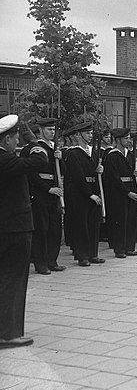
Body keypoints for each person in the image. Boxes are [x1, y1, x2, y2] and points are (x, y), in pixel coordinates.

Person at [0, 115, 48, 348]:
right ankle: (8, 334)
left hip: (6, 228)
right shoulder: (6, 160)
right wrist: (33, 140)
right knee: (14, 280)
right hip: (14, 228)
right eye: (16, 138)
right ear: (8, 139)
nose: (18, 142)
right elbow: (41, 160)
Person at [22, 117, 65, 274]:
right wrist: (48, 189)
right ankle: (40, 263)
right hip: (41, 193)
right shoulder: (34, 148)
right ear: (40, 131)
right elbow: (31, 174)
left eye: (53, 130)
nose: (52, 133)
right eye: (48, 130)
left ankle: (51, 261)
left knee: (55, 229)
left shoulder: (55, 149)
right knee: (41, 229)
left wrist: (60, 159)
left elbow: (63, 172)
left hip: (55, 193)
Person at [63, 121, 104, 266]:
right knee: (81, 225)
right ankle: (82, 256)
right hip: (80, 193)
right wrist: (89, 194)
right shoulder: (74, 153)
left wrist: (99, 171)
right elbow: (78, 176)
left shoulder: (94, 151)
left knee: (93, 224)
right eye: (87, 133)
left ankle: (93, 253)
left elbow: (95, 172)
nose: (90, 135)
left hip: (93, 189)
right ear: (79, 135)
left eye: (91, 133)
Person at [102, 128, 137, 258]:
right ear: (118, 140)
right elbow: (114, 178)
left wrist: (136, 174)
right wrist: (127, 192)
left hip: (131, 188)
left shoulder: (129, 154)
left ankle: (129, 247)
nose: (128, 141)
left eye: (129, 138)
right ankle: (119, 249)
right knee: (120, 221)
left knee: (131, 220)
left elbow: (132, 173)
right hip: (119, 192)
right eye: (126, 138)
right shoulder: (112, 156)